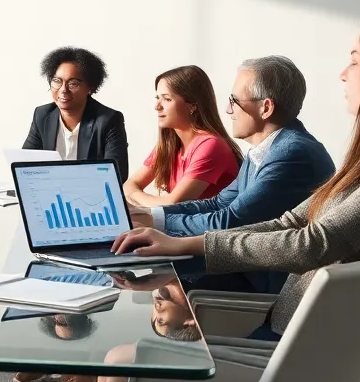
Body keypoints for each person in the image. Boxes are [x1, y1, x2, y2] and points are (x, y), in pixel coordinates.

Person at [112, 15, 360, 347]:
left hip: (310, 347)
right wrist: (178, 241)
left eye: (354, 60)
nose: (343, 74)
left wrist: (185, 246)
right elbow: (293, 222)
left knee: (119, 360)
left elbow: (313, 243)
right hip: (295, 326)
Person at [131, 57, 336, 295]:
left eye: (234, 101)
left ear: (266, 108)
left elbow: (231, 222)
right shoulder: (264, 150)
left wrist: (153, 222)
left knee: (152, 281)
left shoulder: (291, 154)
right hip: (244, 267)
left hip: (268, 285)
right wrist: (151, 216)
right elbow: (218, 202)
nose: (228, 110)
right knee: (149, 272)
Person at [122, 65, 241, 208]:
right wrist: (136, 193)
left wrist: (135, 195)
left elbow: (173, 204)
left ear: (192, 106)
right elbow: (129, 185)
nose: (157, 106)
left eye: (167, 99)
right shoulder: (169, 145)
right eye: (157, 98)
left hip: (212, 228)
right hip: (183, 225)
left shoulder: (210, 145)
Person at [23, 47, 129, 179]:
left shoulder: (109, 120)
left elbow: (117, 174)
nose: (63, 90)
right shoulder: (42, 115)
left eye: (73, 83)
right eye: (57, 81)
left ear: (90, 87)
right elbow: (24, 164)